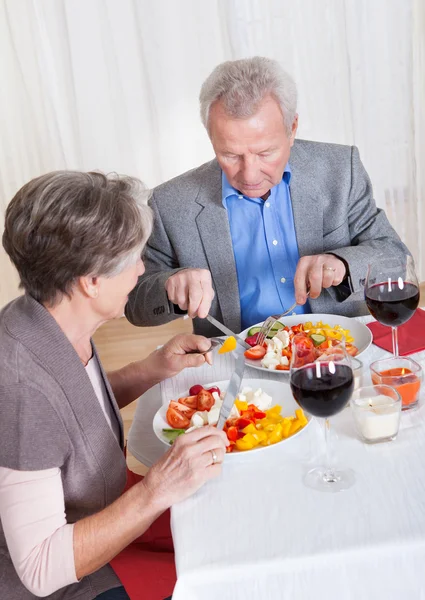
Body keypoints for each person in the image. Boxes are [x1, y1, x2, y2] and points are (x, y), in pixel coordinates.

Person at [0, 171, 227, 600]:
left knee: (226, 523)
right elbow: (41, 568)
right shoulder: (20, 388)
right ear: (91, 281)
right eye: (134, 259)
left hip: (105, 515)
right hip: (70, 576)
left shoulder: (50, 319)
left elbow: (73, 416)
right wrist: (157, 488)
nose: (142, 271)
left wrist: (151, 369)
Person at [125, 56, 409, 338]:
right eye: (230, 154)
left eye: (265, 153)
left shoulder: (339, 170)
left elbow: (395, 258)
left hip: (339, 351)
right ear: (210, 136)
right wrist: (169, 286)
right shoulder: (170, 203)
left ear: (292, 128)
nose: (249, 175)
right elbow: (134, 303)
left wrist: (343, 264)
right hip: (237, 362)